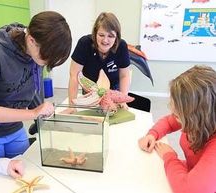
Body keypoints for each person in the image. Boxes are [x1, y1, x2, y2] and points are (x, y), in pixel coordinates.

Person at [0, 11, 72, 159]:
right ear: (30, 40)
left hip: (15, 129)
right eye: (46, 59)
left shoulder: (37, 53)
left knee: (25, 171)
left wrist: (46, 117)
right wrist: (33, 113)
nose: (46, 64)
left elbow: (33, 88)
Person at [138, 65, 216, 193]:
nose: (172, 111)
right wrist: (152, 134)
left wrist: (170, 157)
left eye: (178, 114)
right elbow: (168, 121)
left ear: (197, 115)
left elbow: (188, 189)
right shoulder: (200, 120)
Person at [68, 12, 131, 109]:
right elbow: (74, 75)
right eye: (101, 35)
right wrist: (71, 106)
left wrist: (122, 99)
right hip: (90, 91)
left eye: (110, 36)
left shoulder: (122, 46)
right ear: (95, 33)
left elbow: (124, 75)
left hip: (114, 91)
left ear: (117, 37)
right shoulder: (84, 43)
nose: (105, 40)